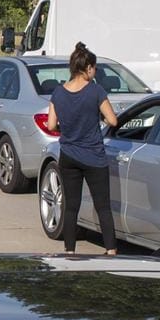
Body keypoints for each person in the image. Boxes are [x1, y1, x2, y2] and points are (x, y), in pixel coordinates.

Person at [43, 41, 119, 255]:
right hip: (94, 156)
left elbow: (50, 125)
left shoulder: (58, 93)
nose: (95, 72)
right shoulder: (95, 91)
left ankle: (69, 251)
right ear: (87, 69)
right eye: (94, 68)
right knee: (102, 206)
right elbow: (112, 121)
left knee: (71, 206)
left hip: (68, 155)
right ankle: (111, 250)